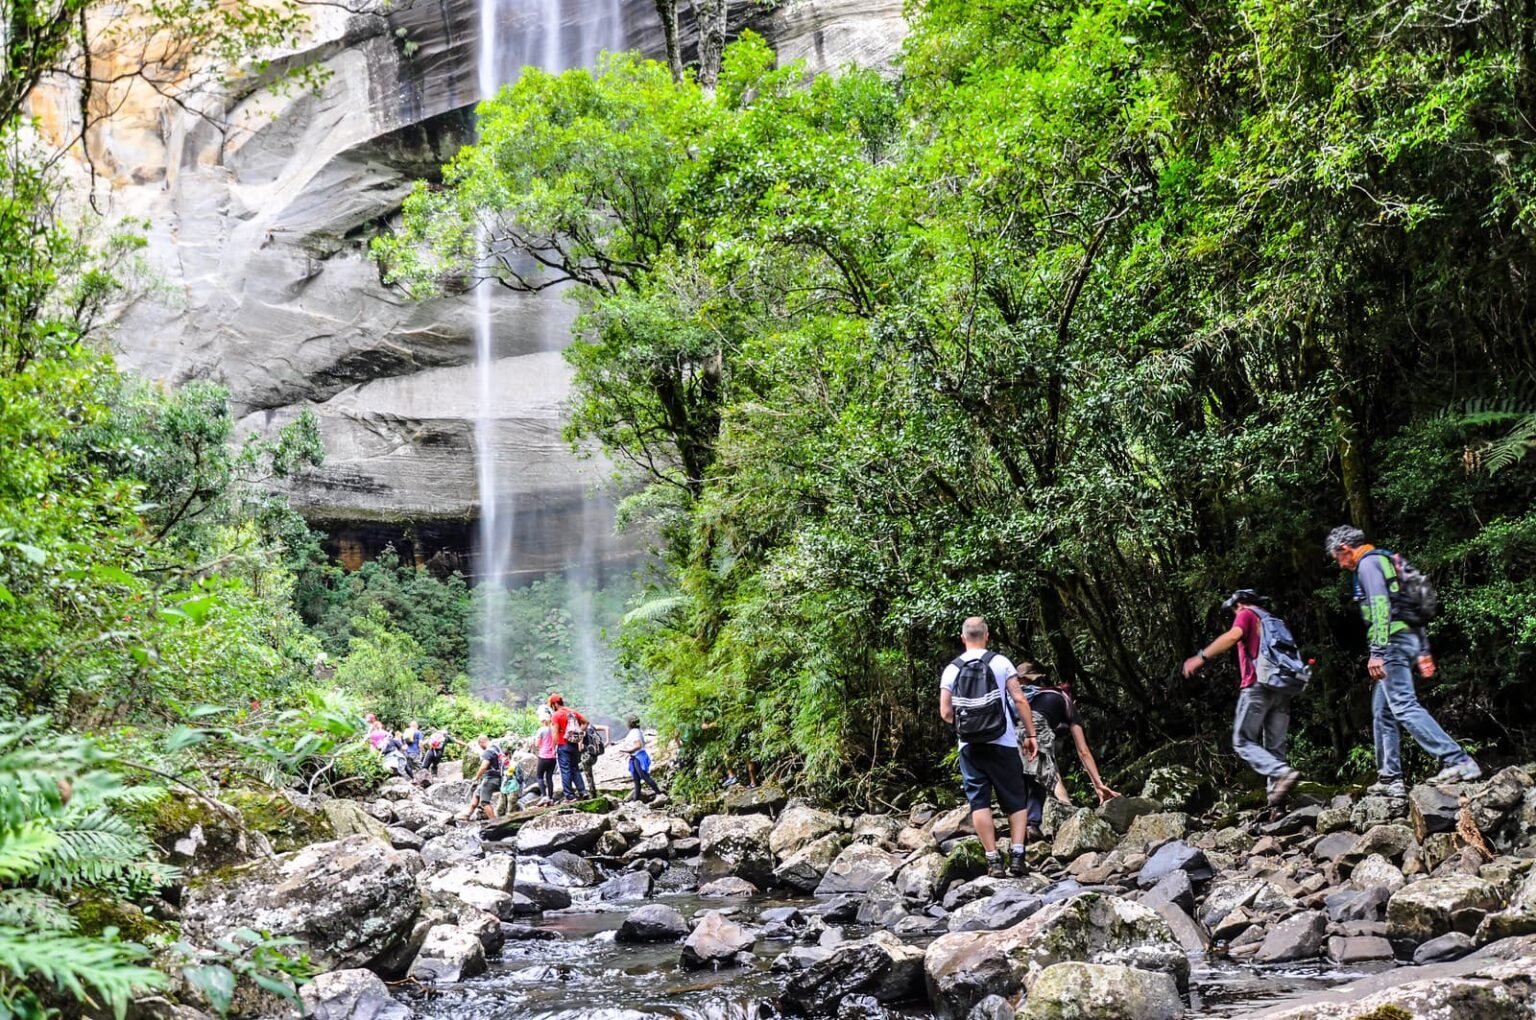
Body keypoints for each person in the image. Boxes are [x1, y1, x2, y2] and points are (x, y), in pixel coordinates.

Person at [1326, 526, 1481, 795]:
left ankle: (1458, 760)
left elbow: (1382, 606)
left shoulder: (1368, 565)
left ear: (1344, 549)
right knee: (1383, 711)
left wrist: (1377, 652)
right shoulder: (1386, 560)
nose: (1338, 564)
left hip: (1392, 644)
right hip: (1405, 639)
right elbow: (1407, 606)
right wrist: (1422, 650)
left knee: (1403, 705)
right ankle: (1390, 779)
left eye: (1335, 557)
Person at [939, 616, 1040, 878]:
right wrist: (1031, 734)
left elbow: (946, 712)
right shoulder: (1000, 662)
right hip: (1003, 741)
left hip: (970, 746)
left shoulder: (952, 669)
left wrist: (967, 726)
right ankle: (1017, 857)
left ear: (963, 638)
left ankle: (993, 860)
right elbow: (1019, 698)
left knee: (979, 802)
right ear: (987, 636)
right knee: (1016, 799)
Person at [1183, 589, 1304, 806]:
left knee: (1242, 741)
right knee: (1274, 747)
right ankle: (1277, 804)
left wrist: (1200, 657)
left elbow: (1232, 636)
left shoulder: (1246, 613)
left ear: (1239, 604)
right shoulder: (1272, 620)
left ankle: (1281, 773)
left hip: (1257, 685)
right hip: (1281, 688)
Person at [1018, 666, 1121, 842]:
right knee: (1041, 775)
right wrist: (1098, 785)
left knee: (1028, 776)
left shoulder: (1024, 696)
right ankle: (1041, 824)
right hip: (1036, 729)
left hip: (1009, 730)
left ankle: (1022, 833)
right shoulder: (1065, 702)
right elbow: (1083, 751)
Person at [548, 694, 591, 801]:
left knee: (565, 770)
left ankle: (570, 795)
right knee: (575, 769)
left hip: (563, 745)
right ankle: (583, 791)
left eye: (552, 705)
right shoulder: (572, 712)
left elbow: (555, 733)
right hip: (574, 745)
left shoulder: (556, 715)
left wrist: (553, 748)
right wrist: (579, 733)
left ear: (555, 704)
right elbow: (586, 722)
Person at [618, 716, 665, 802]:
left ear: (629, 723)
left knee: (644, 777)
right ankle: (636, 800)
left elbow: (638, 745)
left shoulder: (635, 733)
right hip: (635, 757)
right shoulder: (636, 731)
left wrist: (626, 750)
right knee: (636, 780)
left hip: (638, 757)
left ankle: (659, 794)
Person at [460, 733, 504, 822]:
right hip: (500, 776)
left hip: (491, 779)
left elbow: (484, 766)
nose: (481, 747)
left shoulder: (488, 751)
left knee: (484, 802)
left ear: (481, 742)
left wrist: (476, 777)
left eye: (480, 745)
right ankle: (467, 814)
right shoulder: (497, 748)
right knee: (477, 793)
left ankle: (494, 822)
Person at [529, 706, 559, 802]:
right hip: (553, 757)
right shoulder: (553, 729)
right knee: (549, 777)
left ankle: (544, 796)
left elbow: (537, 744)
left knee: (539, 776)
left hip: (543, 756)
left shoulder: (541, 730)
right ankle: (550, 798)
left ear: (542, 721)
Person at [578, 717, 612, 796]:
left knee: (587, 776)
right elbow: (606, 727)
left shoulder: (582, 731)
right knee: (589, 775)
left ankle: (592, 794)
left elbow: (579, 748)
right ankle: (592, 793)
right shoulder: (592, 727)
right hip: (594, 756)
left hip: (586, 756)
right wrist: (607, 741)